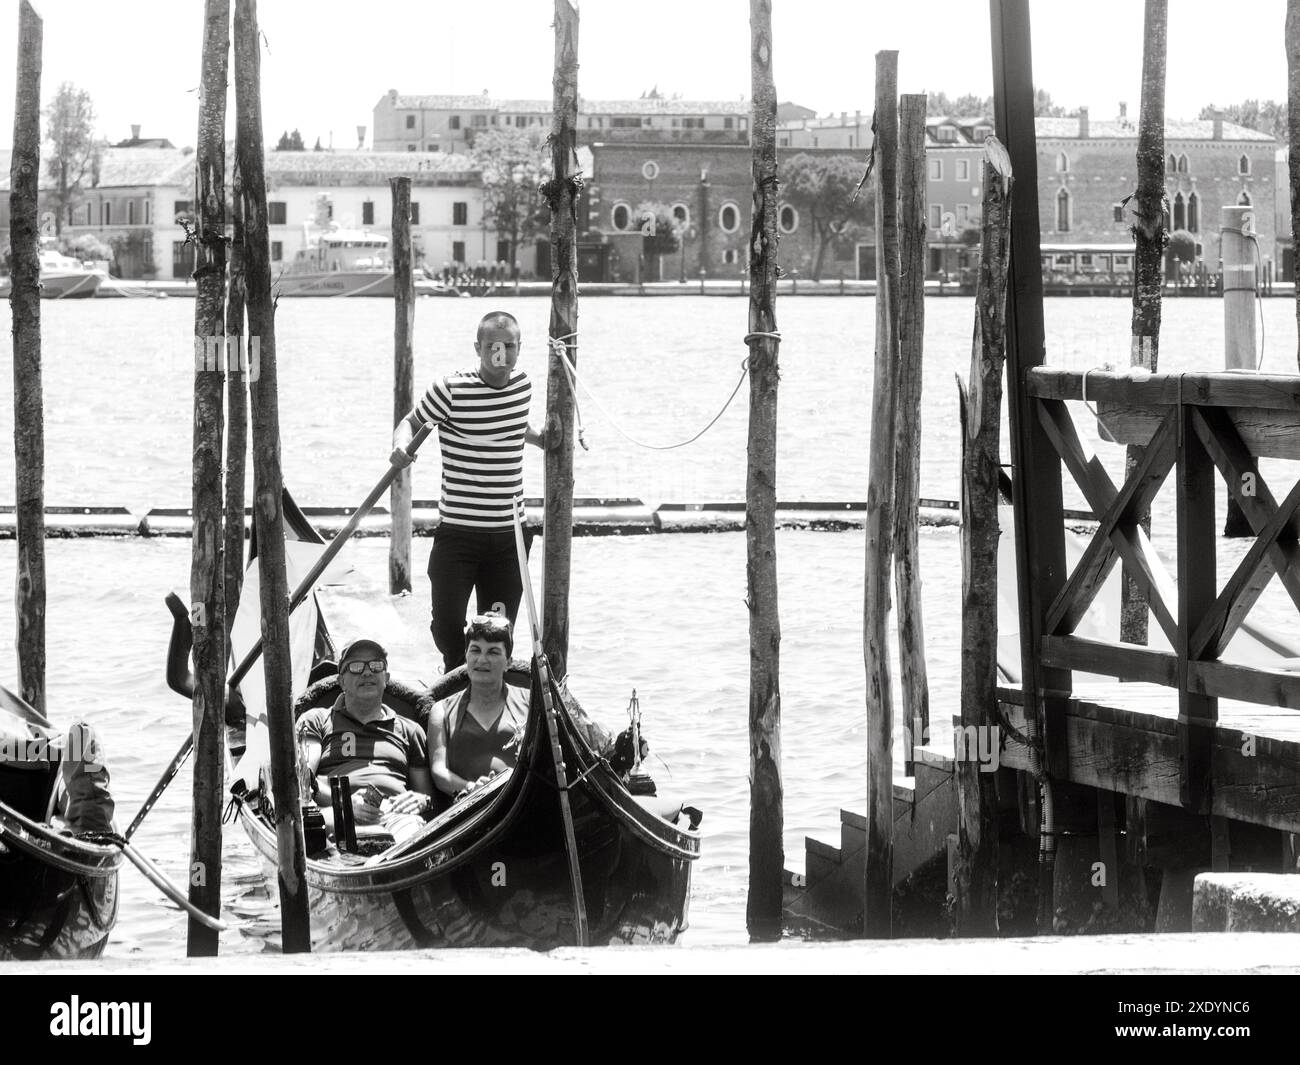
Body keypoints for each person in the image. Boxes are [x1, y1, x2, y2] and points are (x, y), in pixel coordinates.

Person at [391, 311, 545, 674]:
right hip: (458, 534)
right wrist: (399, 446)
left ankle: (489, 688)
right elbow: (411, 422)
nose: (500, 354)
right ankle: (456, 674)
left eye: (508, 346)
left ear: (519, 348)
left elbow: (513, 424)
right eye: (492, 346)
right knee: (447, 626)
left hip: (509, 536)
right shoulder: (450, 389)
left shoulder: (523, 385)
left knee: (497, 631)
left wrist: (543, 439)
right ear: (478, 348)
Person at [296, 638, 435, 831]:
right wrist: (345, 803)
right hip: (334, 814)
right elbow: (303, 781)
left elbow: (428, 799)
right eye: (356, 666)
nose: (367, 672)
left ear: (386, 679)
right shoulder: (316, 720)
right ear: (341, 681)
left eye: (376, 665)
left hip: (395, 817)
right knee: (310, 823)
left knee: (411, 829)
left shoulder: (410, 730)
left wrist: (422, 800)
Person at [427, 614, 528, 800]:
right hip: (468, 805)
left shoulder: (530, 702)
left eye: (493, 652)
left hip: (521, 799)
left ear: (509, 662)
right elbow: (439, 772)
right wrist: (473, 789)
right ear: (466, 656)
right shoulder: (441, 711)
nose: (482, 659)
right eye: (475, 650)